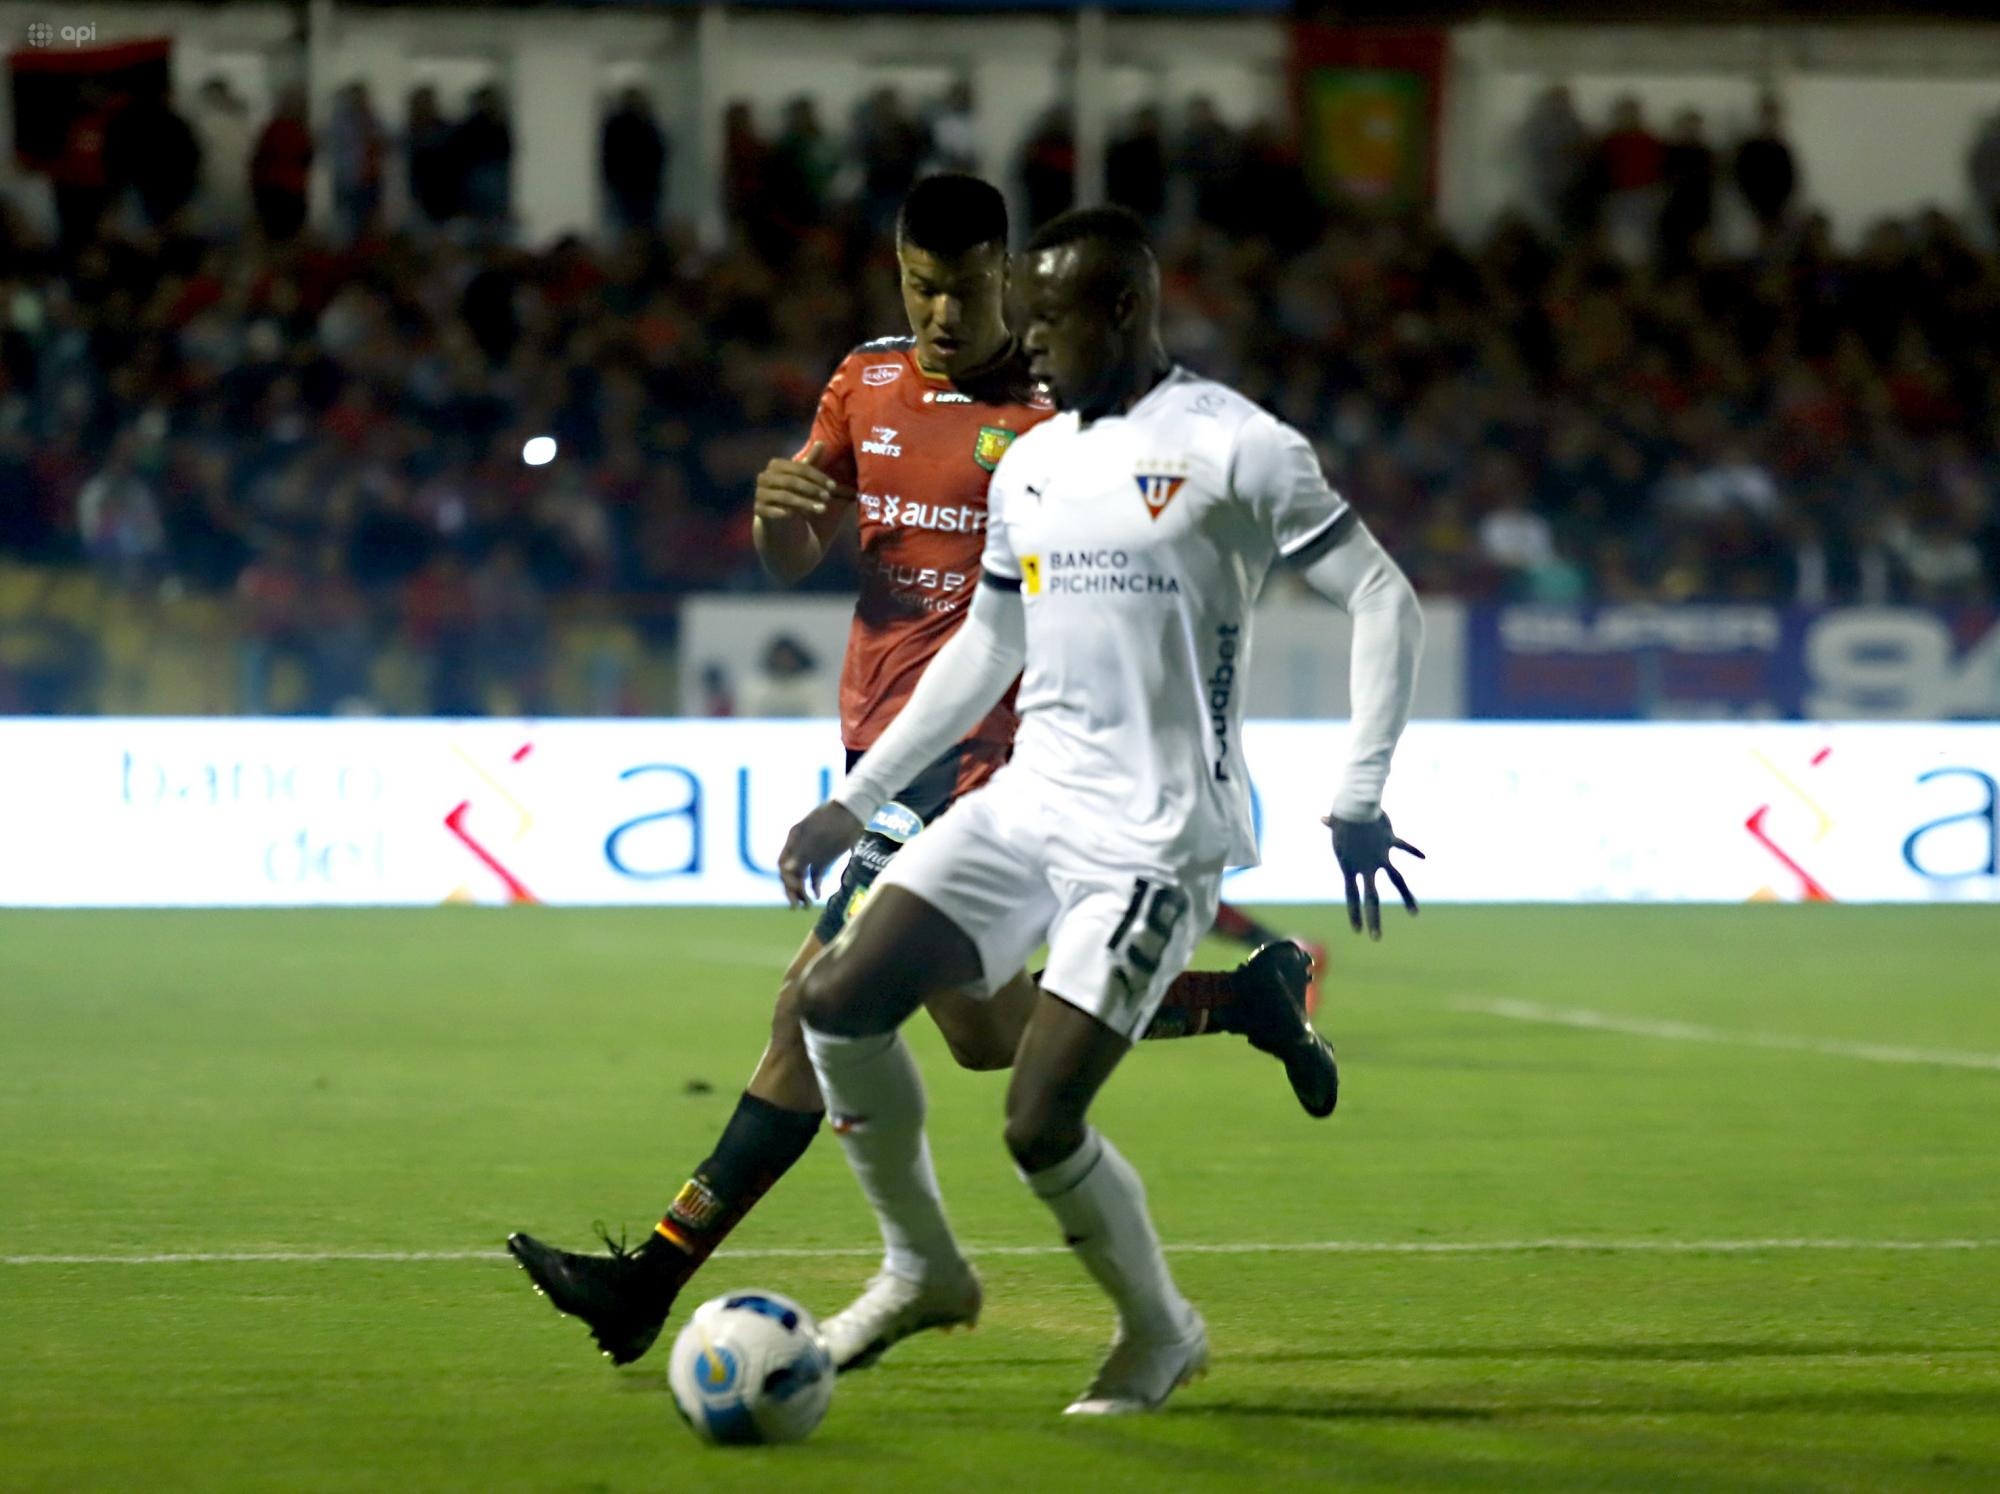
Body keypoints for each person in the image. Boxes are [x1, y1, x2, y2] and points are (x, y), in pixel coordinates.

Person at [506, 177, 1338, 1373]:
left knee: (814, 1003)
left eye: (962, 285)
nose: (941, 311)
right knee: (988, 1032)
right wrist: (776, 514)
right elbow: (796, 553)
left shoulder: (1064, 410)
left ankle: (650, 1276)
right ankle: (1244, 998)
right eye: (918, 285)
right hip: (881, 739)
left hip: (990, 759)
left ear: (1005, 272)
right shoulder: (866, 382)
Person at [775, 204, 1424, 1415]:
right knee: (835, 1002)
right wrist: (852, 802)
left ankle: (1159, 1332)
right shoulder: (1033, 463)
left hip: (1157, 837)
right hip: (1029, 800)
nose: (1026, 339)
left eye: (1050, 314)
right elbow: (982, 649)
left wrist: (1360, 791)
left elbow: (1382, 597)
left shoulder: (1236, 446)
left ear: (1122, 310)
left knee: (1035, 1121)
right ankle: (921, 1267)